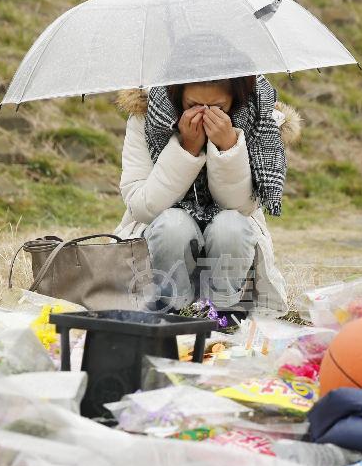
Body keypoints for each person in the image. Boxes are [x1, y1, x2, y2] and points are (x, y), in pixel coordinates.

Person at [114, 76, 301, 314]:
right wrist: (187, 149)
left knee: (230, 225)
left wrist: (228, 146)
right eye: (192, 105)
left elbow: (242, 208)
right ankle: (171, 310)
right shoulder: (147, 116)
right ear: (176, 92)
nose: (204, 114)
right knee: (173, 225)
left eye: (218, 108)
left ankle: (224, 311)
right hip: (160, 247)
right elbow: (141, 207)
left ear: (235, 98)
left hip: (232, 252)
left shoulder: (258, 117)